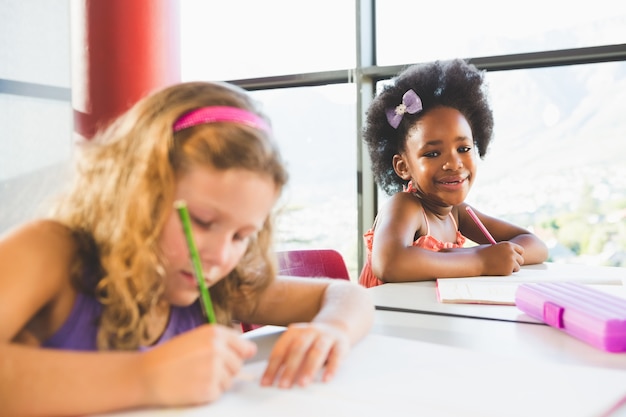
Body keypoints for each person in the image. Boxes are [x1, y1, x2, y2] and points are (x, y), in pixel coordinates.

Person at [0, 81, 374, 416]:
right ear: (135, 192)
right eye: (202, 222)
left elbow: (346, 294)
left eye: (241, 236)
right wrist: (146, 377)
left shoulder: (218, 283)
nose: (220, 256)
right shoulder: (51, 250)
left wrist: (332, 330)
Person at [359, 59, 548, 288]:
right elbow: (389, 263)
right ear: (403, 167)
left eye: (464, 149)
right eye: (432, 154)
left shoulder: (458, 214)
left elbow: (536, 245)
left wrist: (502, 255)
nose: (453, 163)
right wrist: (481, 261)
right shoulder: (406, 207)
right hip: (385, 319)